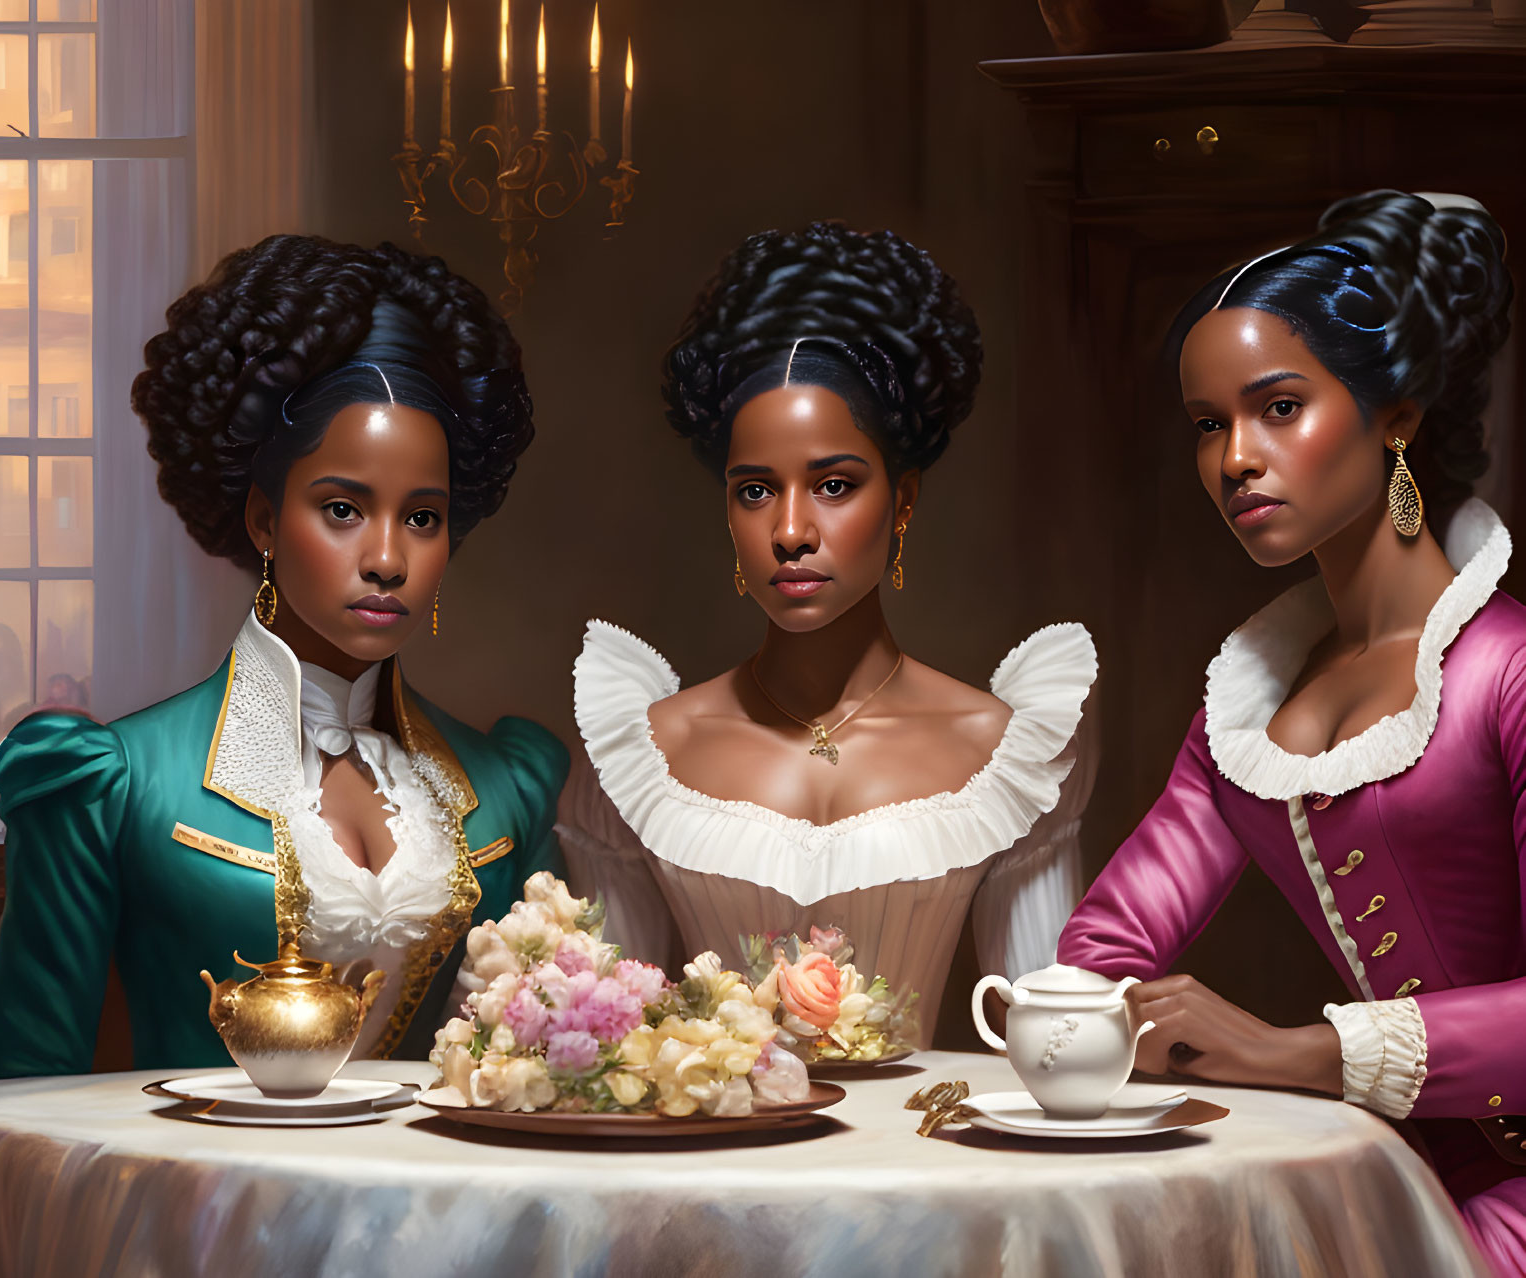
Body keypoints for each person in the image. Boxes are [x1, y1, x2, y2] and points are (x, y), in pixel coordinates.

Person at [1056, 190, 1524, 1270]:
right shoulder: (1253, 702)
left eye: (1277, 408)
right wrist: (1102, 1018)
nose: (1233, 458)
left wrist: (1294, 1051)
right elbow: (1104, 945)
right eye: (1208, 423)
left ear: (1394, 414)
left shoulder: (1504, 670)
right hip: (1369, 1174)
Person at [0, 235, 566, 1077]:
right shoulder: (113, 781)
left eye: (423, 517)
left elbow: (556, 1067)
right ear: (261, 519)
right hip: (199, 1205)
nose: (389, 557)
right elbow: (19, 1095)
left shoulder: (508, 787)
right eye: (342, 509)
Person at [561, 221, 1098, 1042]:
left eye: (834, 485)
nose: (790, 530)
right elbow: (597, 1046)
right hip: (706, 1163)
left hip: (920, 1159)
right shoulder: (641, 751)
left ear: (904, 500)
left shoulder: (1001, 746)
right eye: (753, 491)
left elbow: (1054, 1041)